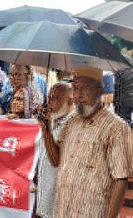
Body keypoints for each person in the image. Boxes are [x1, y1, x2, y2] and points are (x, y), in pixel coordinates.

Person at [41, 66, 129, 218]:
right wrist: (46, 129)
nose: (78, 95)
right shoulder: (71, 121)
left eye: (85, 89)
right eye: (75, 89)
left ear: (100, 91)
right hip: (63, 211)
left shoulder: (116, 128)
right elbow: (56, 161)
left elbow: (120, 179)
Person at [36, 83, 73, 218]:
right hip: (43, 192)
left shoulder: (72, 125)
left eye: (56, 98)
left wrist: (46, 129)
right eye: (49, 98)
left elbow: (56, 160)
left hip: (59, 196)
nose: (50, 103)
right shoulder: (53, 120)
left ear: (70, 101)